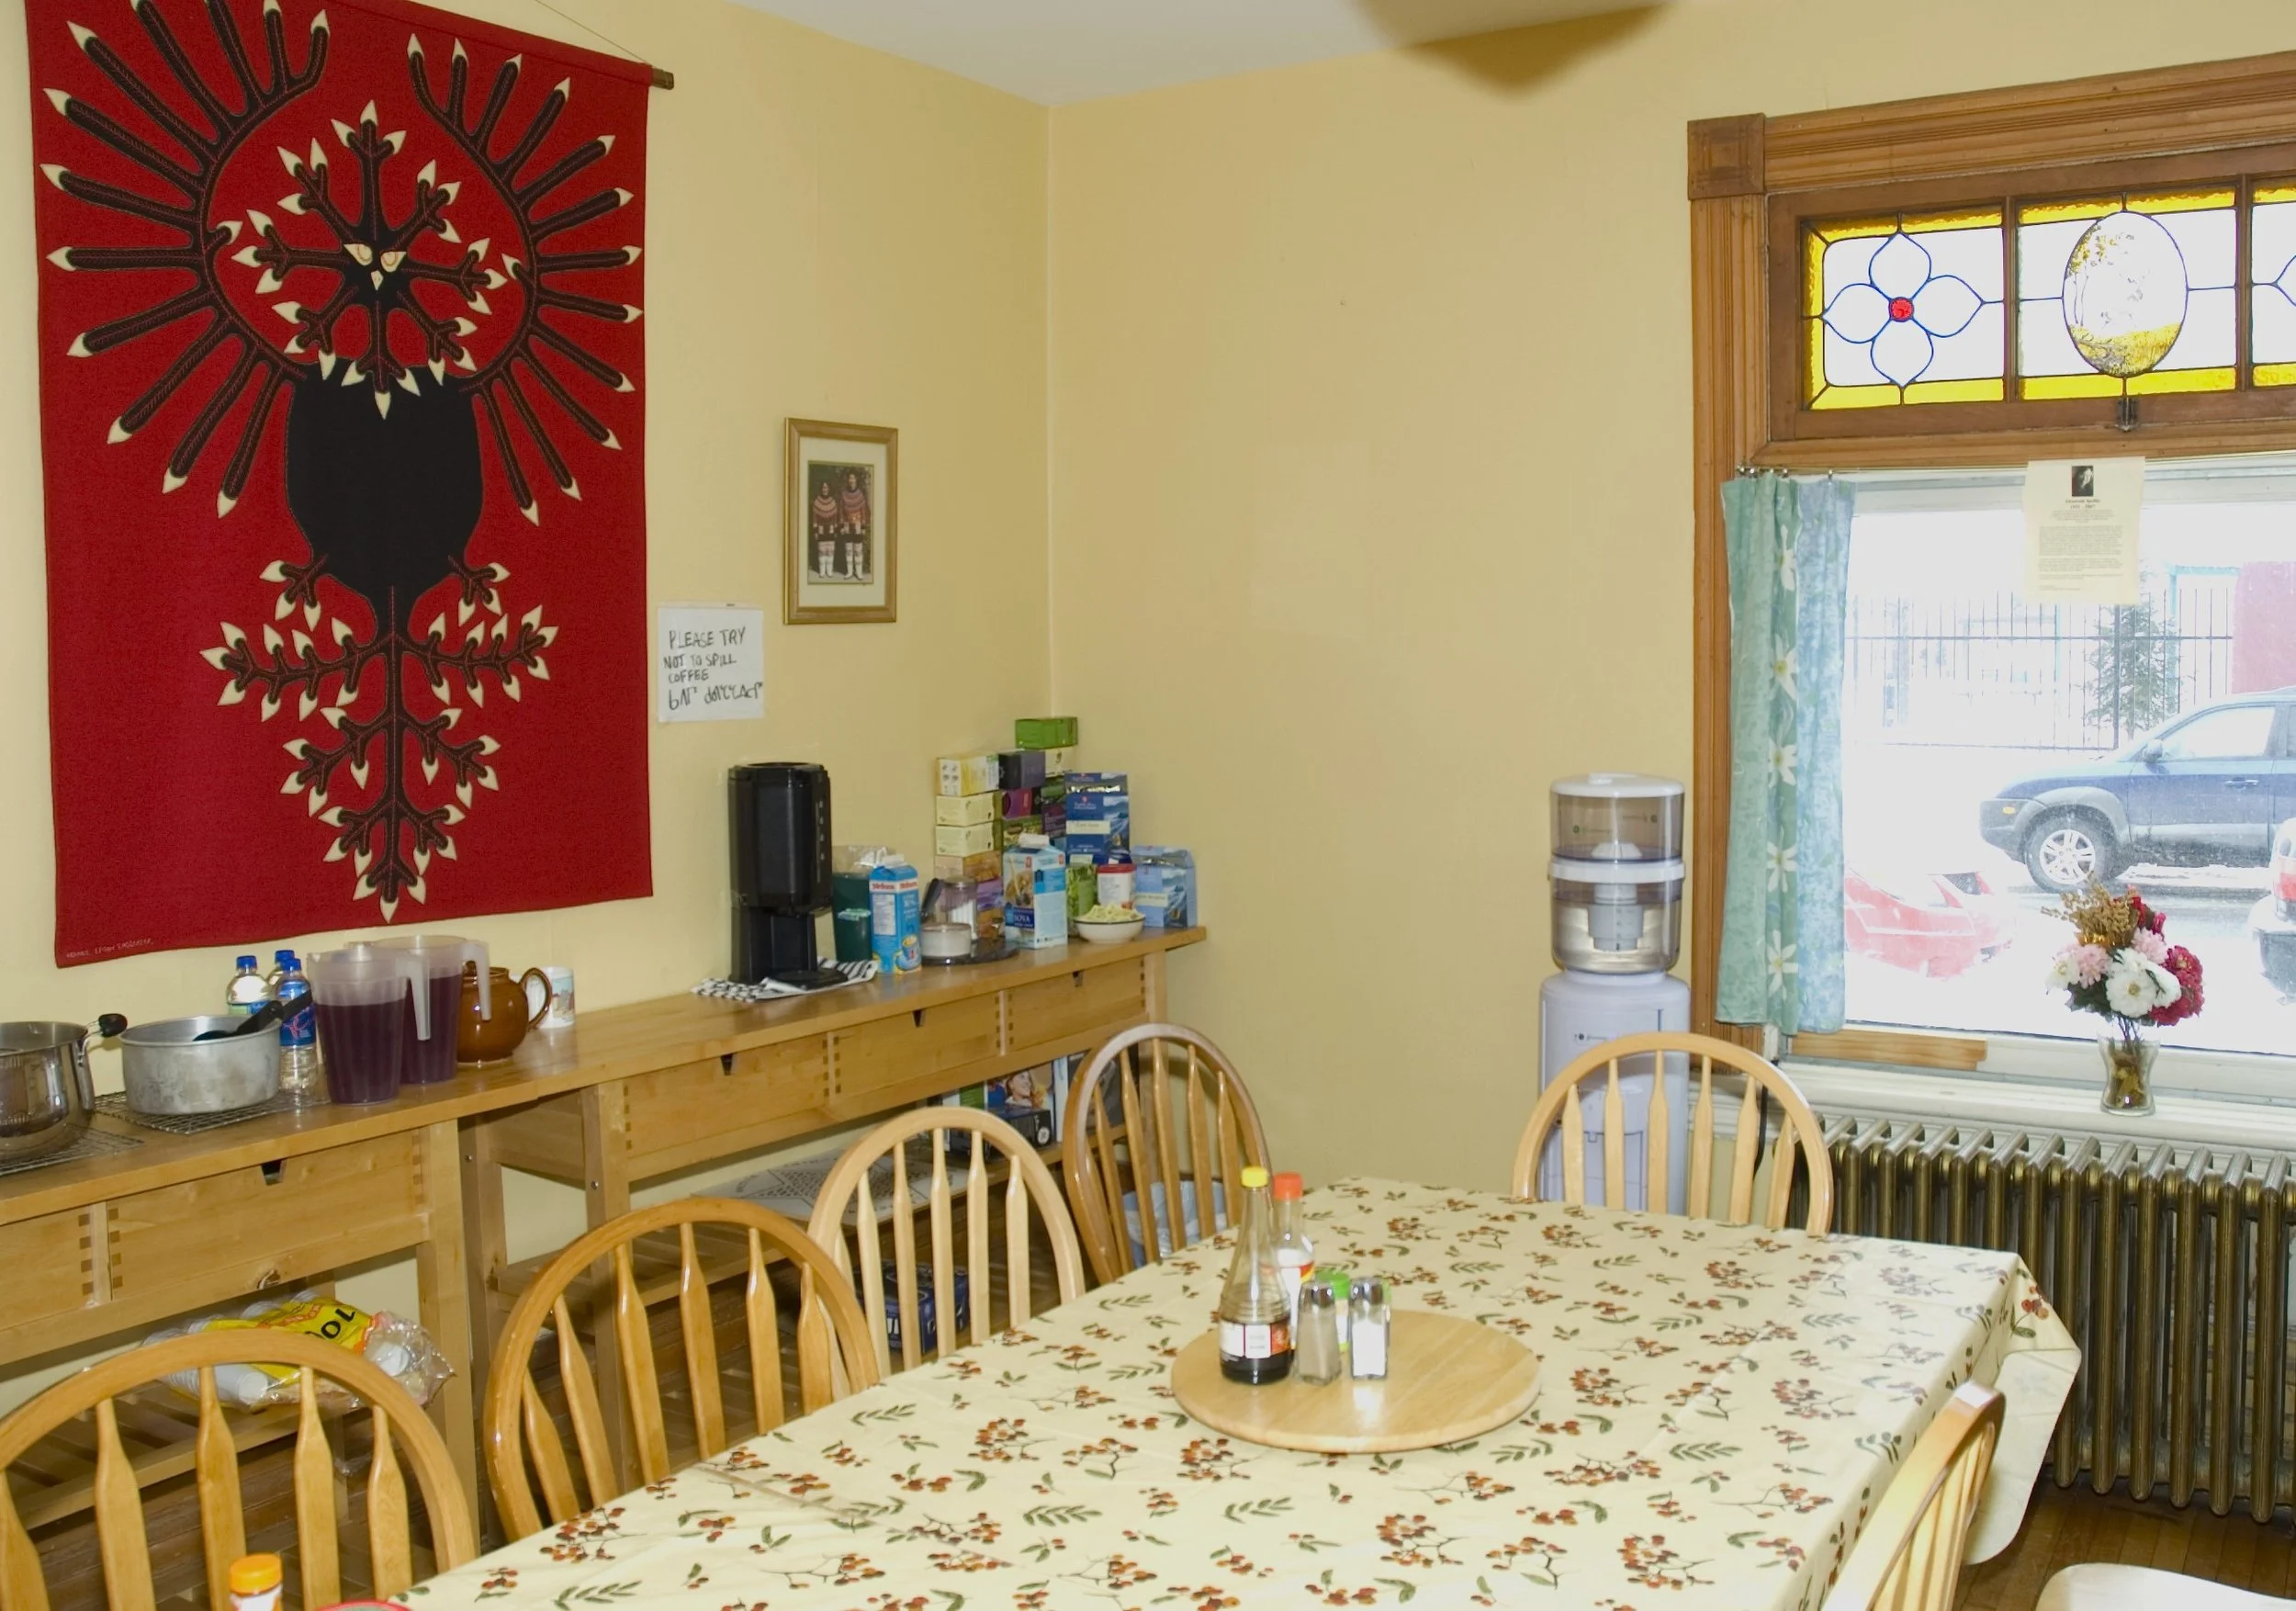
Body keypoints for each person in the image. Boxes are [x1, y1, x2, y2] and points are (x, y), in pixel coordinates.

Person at [840, 468, 872, 580]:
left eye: (853, 478)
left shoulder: (860, 495)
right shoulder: (843, 494)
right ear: (848, 480)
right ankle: (849, 572)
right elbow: (841, 511)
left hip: (858, 525)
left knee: (858, 549)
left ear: (856, 480)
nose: (851, 480)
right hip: (847, 526)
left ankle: (858, 573)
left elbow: (864, 511)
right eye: (850, 478)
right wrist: (842, 526)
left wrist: (863, 526)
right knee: (848, 549)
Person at [811, 477, 840, 577]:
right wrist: (815, 531)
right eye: (823, 488)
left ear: (829, 489)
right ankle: (822, 571)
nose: (825, 490)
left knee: (830, 551)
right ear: (821, 489)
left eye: (826, 488)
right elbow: (814, 518)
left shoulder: (833, 502)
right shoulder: (817, 502)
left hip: (831, 530)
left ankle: (829, 571)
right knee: (822, 551)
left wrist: (836, 530)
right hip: (821, 530)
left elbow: (835, 518)